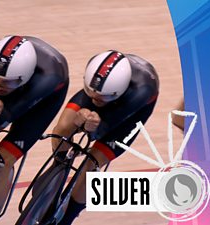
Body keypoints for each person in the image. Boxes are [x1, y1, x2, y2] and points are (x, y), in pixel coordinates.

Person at [0, 35, 69, 225]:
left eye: (5, 83)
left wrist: (1, 112)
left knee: (0, 162)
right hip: (14, 80)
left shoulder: (50, 75)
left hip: (40, 101)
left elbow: (10, 113)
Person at [50, 50, 159, 225]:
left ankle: (67, 218)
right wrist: (75, 123)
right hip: (105, 87)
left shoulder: (142, 90)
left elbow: (102, 130)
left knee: (93, 161)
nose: (96, 100)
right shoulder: (97, 79)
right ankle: (57, 167)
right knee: (63, 128)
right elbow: (66, 126)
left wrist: (91, 127)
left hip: (128, 111)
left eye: (101, 98)